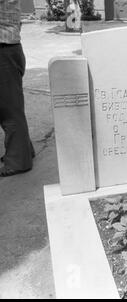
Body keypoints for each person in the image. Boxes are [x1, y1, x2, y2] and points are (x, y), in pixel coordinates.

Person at [0, 0, 34, 177]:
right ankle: (24, 150)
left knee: (9, 111)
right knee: (12, 106)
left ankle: (18, 161)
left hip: (4, 50)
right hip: (9, 48)